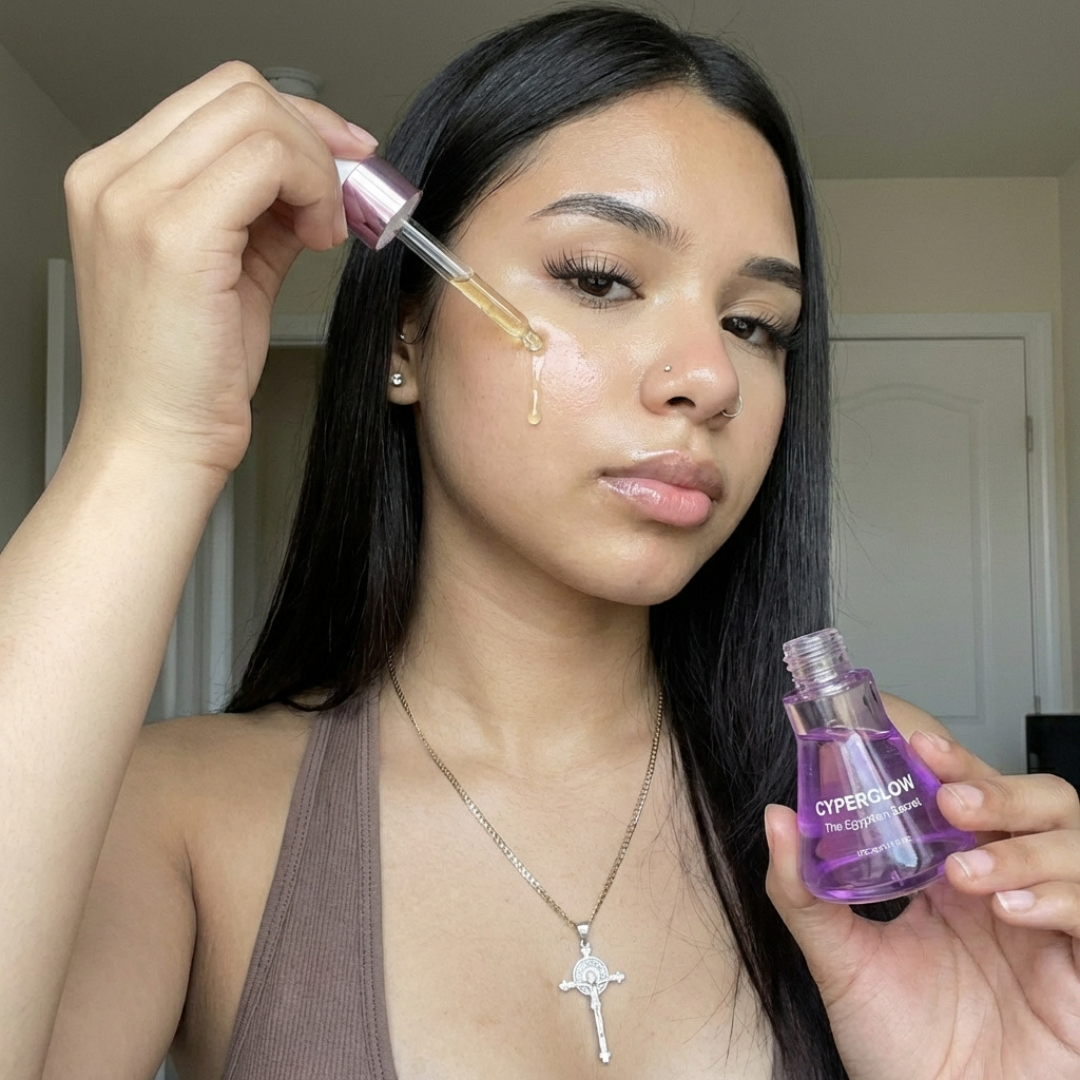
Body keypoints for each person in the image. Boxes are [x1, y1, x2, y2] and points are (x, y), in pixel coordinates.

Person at [3, 6, 1078, 1079]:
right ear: (404, 334)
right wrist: (144, 442)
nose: (711, 379)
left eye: (754, 325)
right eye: (601, 278)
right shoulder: (177, 814)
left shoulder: (863, 784)